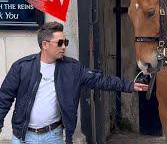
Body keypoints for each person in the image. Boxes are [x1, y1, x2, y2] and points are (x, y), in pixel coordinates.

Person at [0, 21, 149, 144]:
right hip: (23, 136)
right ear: (45, 44)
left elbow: (100, 80)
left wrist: (128, 85)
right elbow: (4, 97)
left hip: (54, 136)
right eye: (60, 43)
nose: (64, 46)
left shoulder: (72, 68)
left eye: (65, 42)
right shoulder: (22, 67)